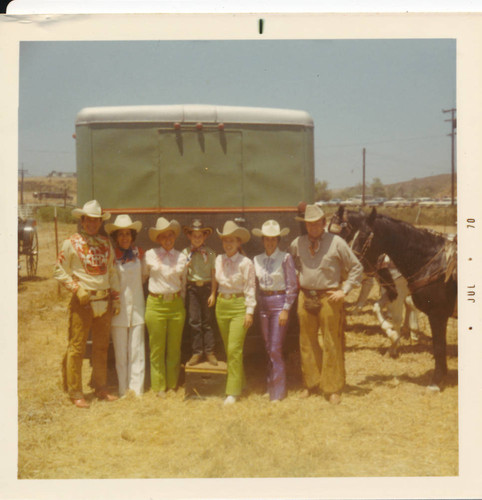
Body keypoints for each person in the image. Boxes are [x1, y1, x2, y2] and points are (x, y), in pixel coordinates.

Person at [289, 204, 363, 405]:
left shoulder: (336, 242)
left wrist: (344, 290)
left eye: (317, 223)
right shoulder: (297, 243)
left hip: (329, 298)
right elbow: (292, 265)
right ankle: (311, 383)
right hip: (305, 297)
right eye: (309, 224)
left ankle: (332, 388)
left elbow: (356, 267)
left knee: (331, 341)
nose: (313, 227)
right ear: (305, 225)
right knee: (307, 341)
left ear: (323, 223)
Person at [54, 199, 120, 409]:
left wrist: (116, 297)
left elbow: (112, 271)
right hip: (83, 301)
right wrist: (76, 288)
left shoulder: (105, 242)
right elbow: (58, 270)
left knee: (101, 347)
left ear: (100, 222)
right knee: (77, 346)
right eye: (89, 220)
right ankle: (75, 390)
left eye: (96, 220)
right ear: (82, 220)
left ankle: (100, 386)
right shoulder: (71, 242)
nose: (92, 224)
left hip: (104, 300)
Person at [252, 220, 298, 402]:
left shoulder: (285, 258)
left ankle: (278, 392)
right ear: (262, 240)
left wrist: (286, 308)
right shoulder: (257, 260)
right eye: (267, 239)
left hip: (279, 302)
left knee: (275, 348)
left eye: (273, 239)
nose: (270, 243)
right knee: (267, 347)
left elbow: (292, 286)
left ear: (278, 240)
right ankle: (271, 386)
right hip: (263, 303)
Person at [144, 217, 188, 398]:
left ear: (175, 237)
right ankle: (159, 386)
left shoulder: (182, 256)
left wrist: (180, 302)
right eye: (164, 236)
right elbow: (144, 276)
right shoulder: (150, 255)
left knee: (174, 347)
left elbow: (183, 283)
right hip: (156, 304)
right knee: (157, 347)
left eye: (171, 235)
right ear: (158, 239)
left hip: (176, 305)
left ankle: (172, 384)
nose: (168, 239)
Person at [214, 220, 256, 405]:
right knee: (230, 350)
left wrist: (249, 312)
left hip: (239, 306)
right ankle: (242, 382)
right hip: (222, 306)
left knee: (234, 349)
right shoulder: (218, 259)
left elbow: (250, 288)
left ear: (239, 242)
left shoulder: (246, 263)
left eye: (232, 240)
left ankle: (232, 392)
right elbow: (216, 281)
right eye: (225, 240)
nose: (228, 244)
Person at [105, 214, 146, 397]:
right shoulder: (111, 255)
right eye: (121, 234)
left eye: (128, 234)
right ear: (115, 237)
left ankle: (136, 390)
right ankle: (123, 389)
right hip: (119, 309)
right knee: (121, 352)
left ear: (132, 236)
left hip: (137, 307)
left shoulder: (140, 254)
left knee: (136, 350)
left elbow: (144, 276)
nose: (125, 238)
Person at [182, 219, 218, 366]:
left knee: (207, 321)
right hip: (192, 290)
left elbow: (214, 275)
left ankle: (210, 352)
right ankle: (197, 352)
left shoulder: (210, 253)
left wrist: (213, 294)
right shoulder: (185, 253)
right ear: (189, 236)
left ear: (205, 237)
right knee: (194, 321)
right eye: (194, 235)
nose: (197, 239)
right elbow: (182, 273)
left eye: (200, 236)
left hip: (207, 289)